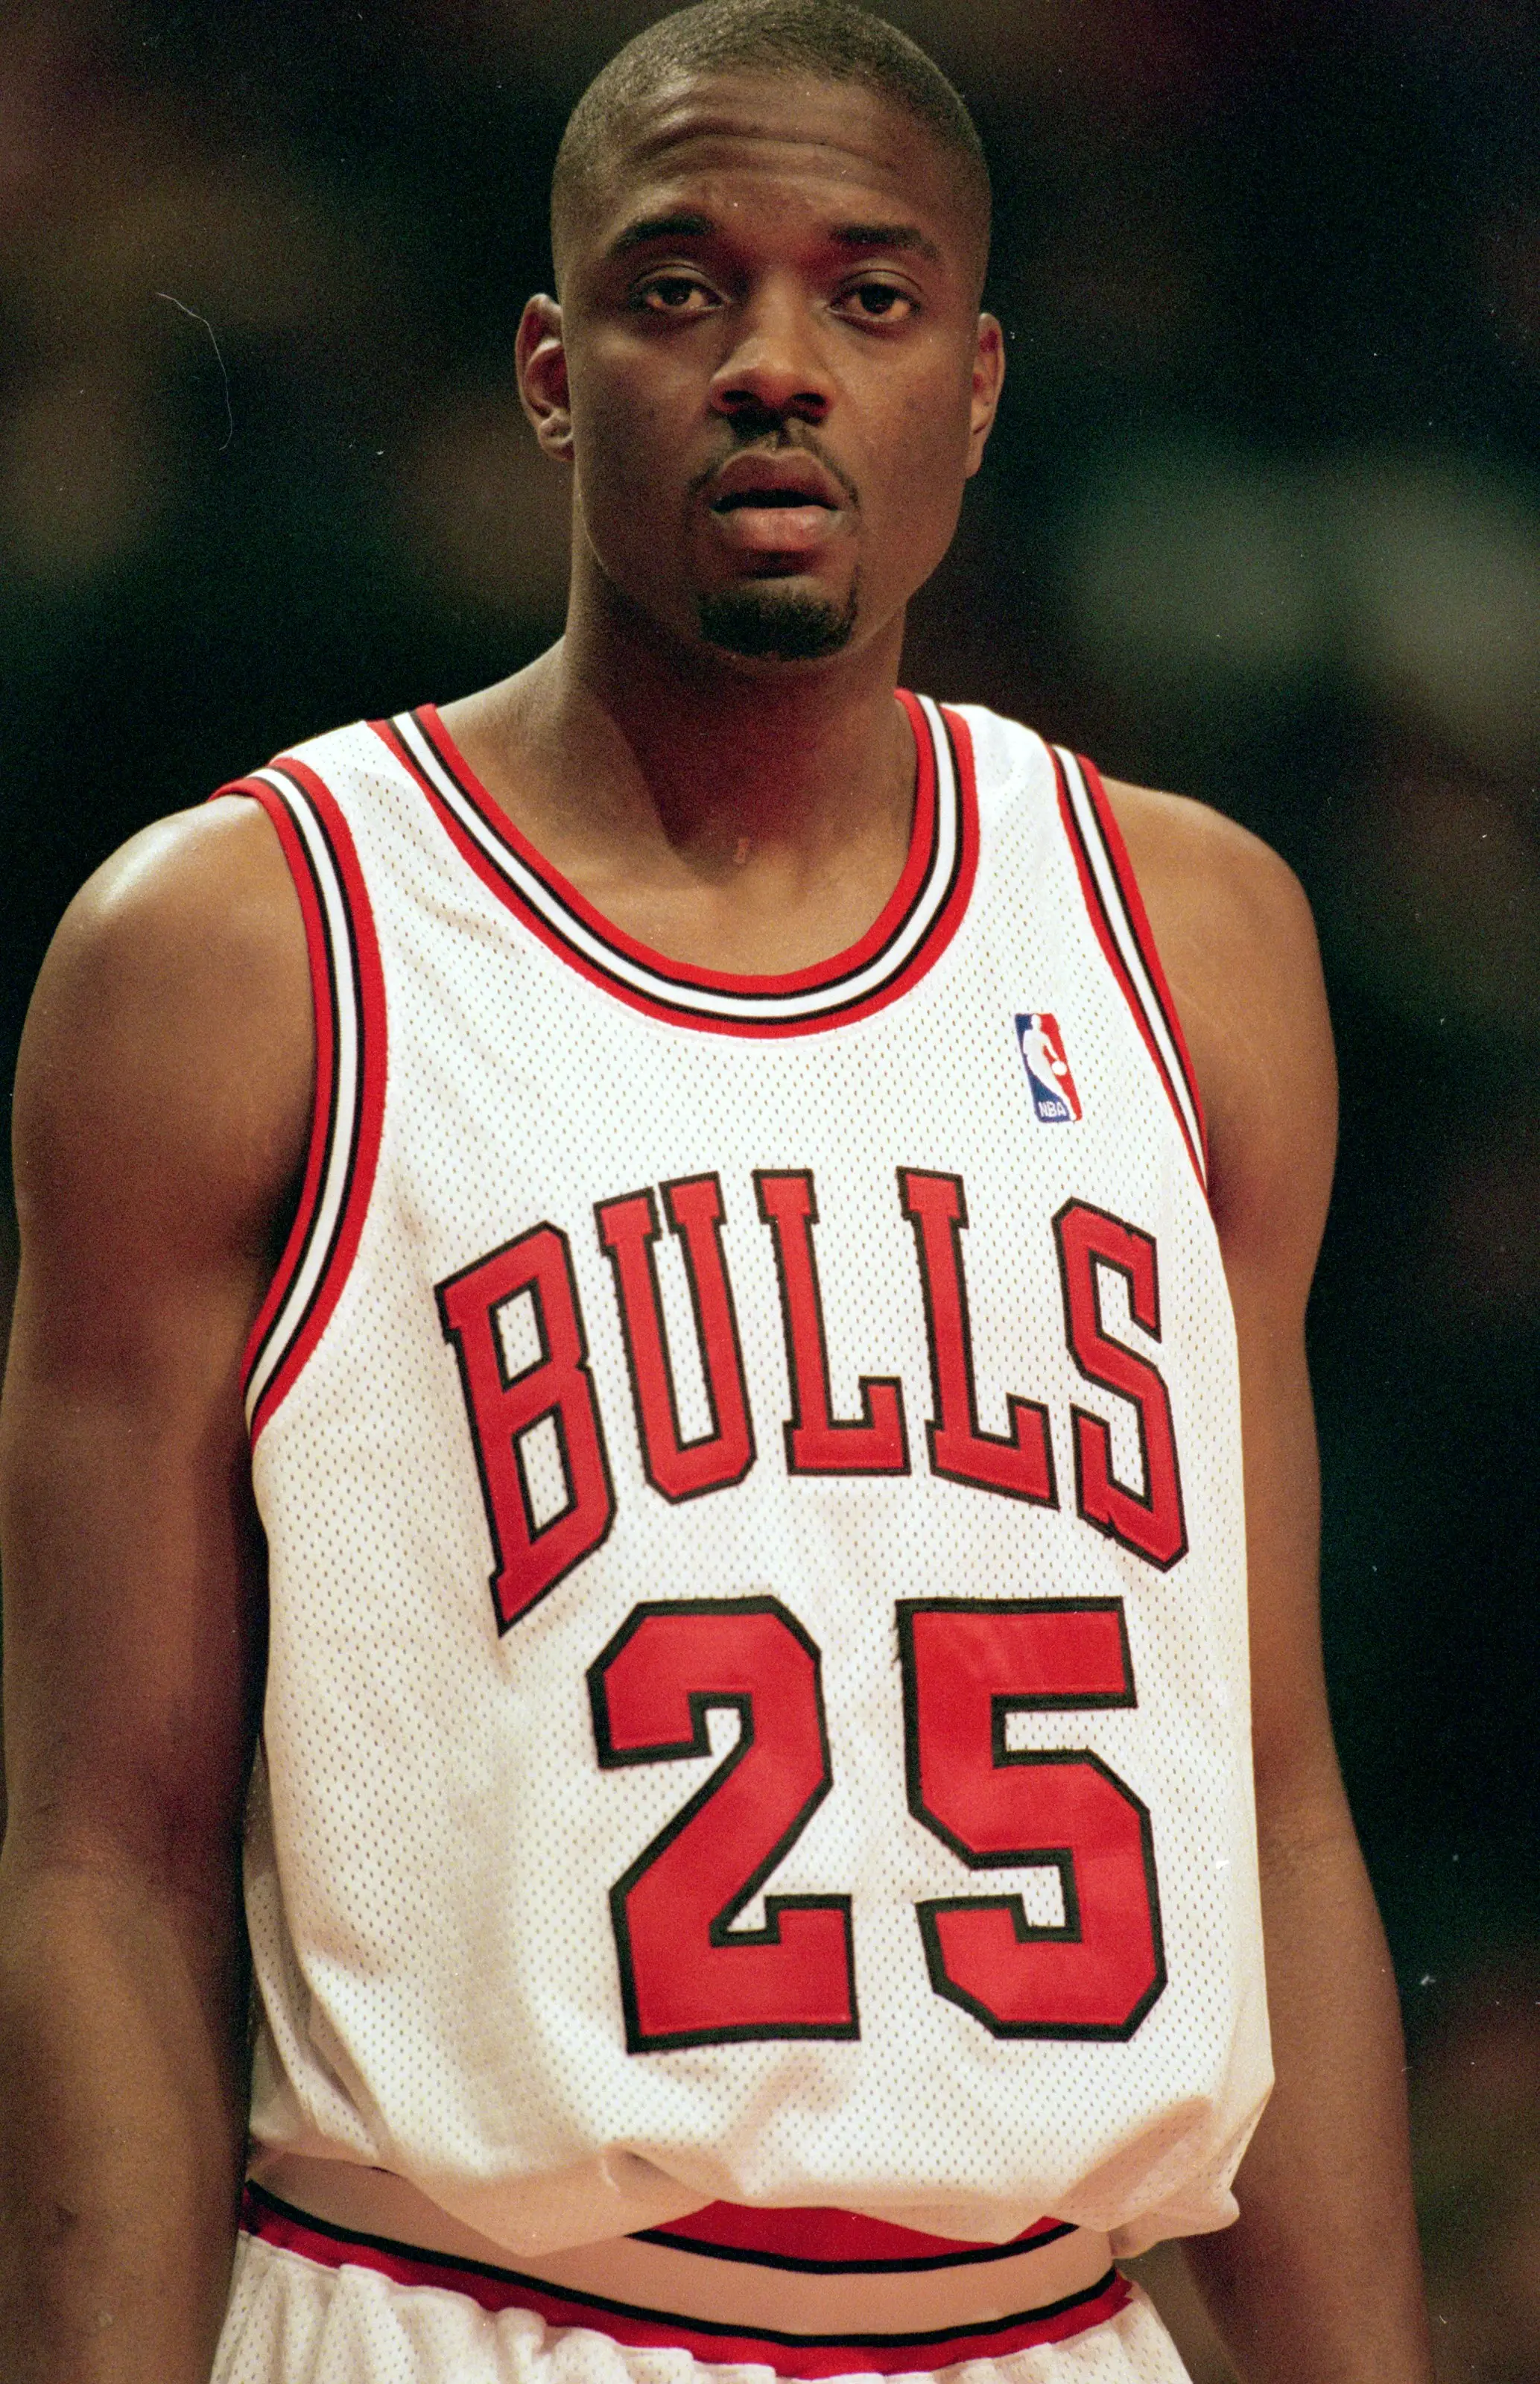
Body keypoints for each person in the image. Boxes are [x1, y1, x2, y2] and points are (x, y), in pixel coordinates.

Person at [0, 4, 1433, 2380]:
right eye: (685, 290)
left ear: (975, 385)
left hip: (1052, 2324)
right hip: (460, 2308)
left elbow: (1268, 1804)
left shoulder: (1198, 940)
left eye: (866, 298)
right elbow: (99, 1865)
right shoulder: (251, 948)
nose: (777, 364)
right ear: (555, 373)